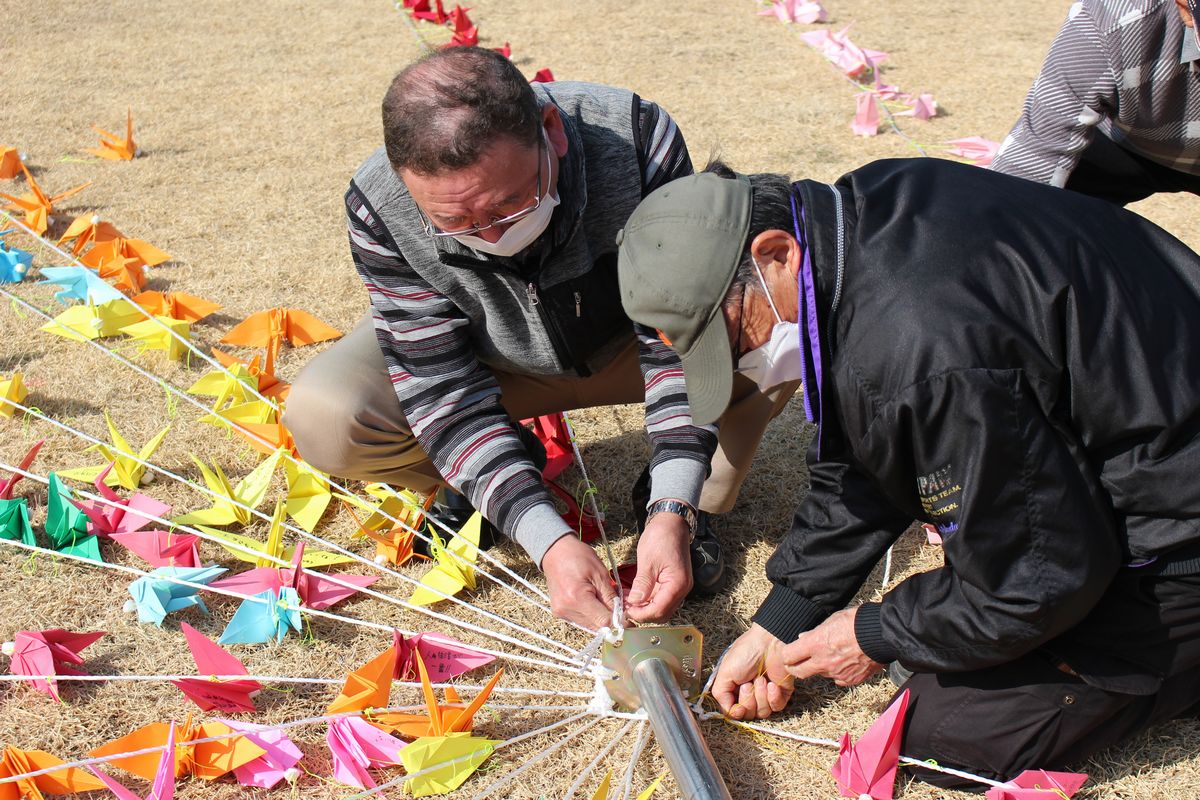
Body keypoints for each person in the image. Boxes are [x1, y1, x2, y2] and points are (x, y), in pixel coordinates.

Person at [615, 157, 1200, 787]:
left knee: (939, 733)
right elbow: (869, 450)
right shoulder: (862, 216)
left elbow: (1037, 577)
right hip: (1154, 409)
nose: (740, 361)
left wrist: (873, 631)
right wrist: (779, 619)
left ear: (776, 254)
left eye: (729, 335)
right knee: (946, 652)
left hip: (1177, 524)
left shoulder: (922, 349)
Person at [282, 47, 798, 630]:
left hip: (631, 341)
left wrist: (672, 506)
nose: (493, 234)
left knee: (767, 329)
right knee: (328, 415)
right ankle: (490, 477)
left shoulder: (633, 138)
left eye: (511, 201)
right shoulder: (381, 206)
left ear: (551, 132)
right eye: (454, 222)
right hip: (491, 360)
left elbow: (678, 339)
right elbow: (439, 384)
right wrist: (546, 538)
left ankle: (689, 504)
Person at [990, 0, 1200, 205]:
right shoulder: (1111, 19)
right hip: (1122, 140)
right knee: (1017, 202)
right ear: (1185, 8)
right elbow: (1031, 160)